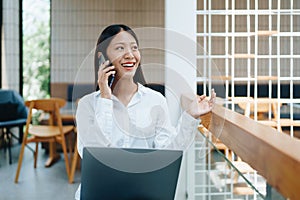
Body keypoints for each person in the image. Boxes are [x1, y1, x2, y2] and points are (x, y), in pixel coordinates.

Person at [75, 24, 216, 199]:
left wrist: (190, 116)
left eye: (134, 48)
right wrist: (105, 97)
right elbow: (96, 156)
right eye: (120, 48)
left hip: (142, 194)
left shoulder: (155, 100)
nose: (130, 54)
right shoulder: (87, 105)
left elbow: (169, 154)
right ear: (102, 57)